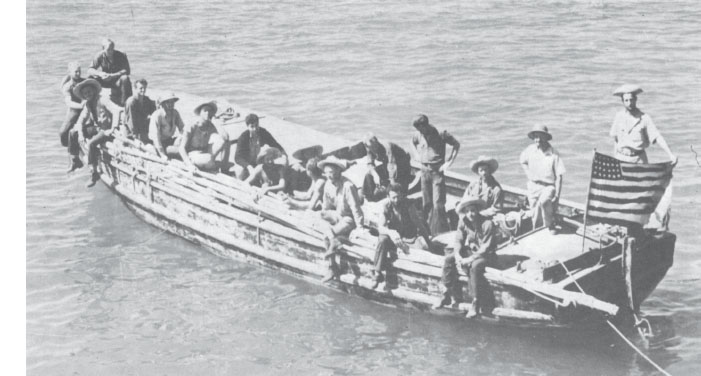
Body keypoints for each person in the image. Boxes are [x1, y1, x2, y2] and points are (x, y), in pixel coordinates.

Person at [434, 197, 497, 318]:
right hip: (473, 252)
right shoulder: (463, 221)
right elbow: (458, 240)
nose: (470, 214)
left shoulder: (487, 223)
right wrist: (457, 254)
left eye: (473, 210)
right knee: (448, 258)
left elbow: (485, 247)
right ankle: (445, 293)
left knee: (474, 267)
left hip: (487, 255)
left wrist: (469, 259)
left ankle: (475, 301)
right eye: (467, 211)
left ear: (477, 210)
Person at [371, 183, 433, 290]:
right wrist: (391, 233)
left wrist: (428, 240)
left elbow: (418, 223)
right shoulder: (386, 206)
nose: (396, 200)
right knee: (382, 239)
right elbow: (381, 227)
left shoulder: (408, 205)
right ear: (388, 197)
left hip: (409, 237)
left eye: (398, 196)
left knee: (424, 249)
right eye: (393, 197)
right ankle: (377, 273)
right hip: (394, 237)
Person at [410, 114, 460, 236]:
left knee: (438, 204)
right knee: (426, 203)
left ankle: (441, 232)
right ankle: (428, 231)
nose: (420, 132)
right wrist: (416, 154)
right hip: (424, 171)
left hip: (437, 171)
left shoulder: (441, 134)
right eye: (418, 130)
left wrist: (449, 162)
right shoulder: (418, 134)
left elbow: (456, 145)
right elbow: (411, 142)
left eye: (421, 129)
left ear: (426, 125)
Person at [317, 156, 364, 282]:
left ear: (339, 171)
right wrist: (325, 217)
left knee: (328, 235)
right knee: (322, 218)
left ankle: (332, 267)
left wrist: (360, 228)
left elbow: (356, 209)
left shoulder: (348, 186)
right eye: (327, 173)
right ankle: (335, 241)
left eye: (332, 172)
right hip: (336, 215)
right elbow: (326, 207)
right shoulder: (328, 184)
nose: (329, 176)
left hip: (348, 218)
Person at [610, 84, 677, 165]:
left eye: (631, 100)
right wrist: (614, 157)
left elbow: (657, 137)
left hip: (639, 160)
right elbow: (616, 139)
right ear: (622, 101)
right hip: (621, 158)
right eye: (626, 100)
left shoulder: (645, 118)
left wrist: (670, 154)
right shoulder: (619, 117)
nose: (629, 103)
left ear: (635, 99)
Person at [519, 125, 565, 234]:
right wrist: (528, 173)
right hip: (533, 186)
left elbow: (559, 176)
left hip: (548, 186)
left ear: (545, 137)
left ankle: (550, 224)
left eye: (540, 137)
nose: (537, 140)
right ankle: (538, 231)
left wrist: (557, 196)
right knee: (535, 213)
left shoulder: (554, 153)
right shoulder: (530, 150)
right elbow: (522, 161)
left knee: (544, 201)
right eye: (535, 137)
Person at [71, 79, 114, 187]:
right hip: (97, 128)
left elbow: (116, 111)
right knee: (73, 132)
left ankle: (94, 172)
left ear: (94, 91)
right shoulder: (88, 104)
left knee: (91, 143)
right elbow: (80, 121)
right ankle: (75, 159)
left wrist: (113, 128)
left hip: (106, 130)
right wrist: (80, 134)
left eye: (89, 92)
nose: (88, 95)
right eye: (85, 93)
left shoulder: (102, 100)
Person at [360, 133, 413, 202]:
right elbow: (370, 164)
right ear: (366, 146)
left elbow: (392, 166)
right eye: (372, 147)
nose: (374, 148)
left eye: (376, 145)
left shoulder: (388, 147)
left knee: (399, 190)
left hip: (402, 165)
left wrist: (392, 185)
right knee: (369, 174)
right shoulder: (369, 148)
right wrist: (376, 175)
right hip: (387, 164)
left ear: (377, 142)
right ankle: (365, 195)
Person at [233, 113, 287, 180]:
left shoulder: (262, 132)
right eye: (252, 127)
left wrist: (284, 154)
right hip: (246, 163)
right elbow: (237, 158)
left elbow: (274, 144)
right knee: (240, 172)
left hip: (256, 161)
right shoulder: (243, 137)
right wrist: (248, 166)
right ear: (247, 127)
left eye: (256, 125)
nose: (255, 129)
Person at [179, 101, 227, 171]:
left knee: (224, 142)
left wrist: (215, 122)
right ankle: (210, 164)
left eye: (210, 111)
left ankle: (222, 168)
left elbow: (226, 137)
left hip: (204, 151)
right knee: (208, 160)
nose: (207, 113)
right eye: (205, 110)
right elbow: (181, 148)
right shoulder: (192, 126)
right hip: (192, 153)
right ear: (200, 112)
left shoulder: (210, 125)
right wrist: (189, 164)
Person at [87, 38, 132, 106]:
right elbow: (90, 70)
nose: (111, 52)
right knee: (90, 78)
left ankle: (125, 104)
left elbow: (127, 71)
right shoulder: (99, 55)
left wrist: (112, 75)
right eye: (108, 50)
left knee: (125, 78)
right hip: (105, 80)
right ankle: (92, 102)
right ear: (103, 49)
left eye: (112, 49)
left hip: (117, 80)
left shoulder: (121, 55)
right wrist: (100, 74)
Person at [59, 61, 85, 173]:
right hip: (75, 108)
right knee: (63, 133)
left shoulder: (85, 82)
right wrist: (80, 105)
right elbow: (68, 102)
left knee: (74, 131)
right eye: (76, 72)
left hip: (85, 108)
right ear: (70, 73)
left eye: (79, 71)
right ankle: (73, 153)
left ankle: (75, 159)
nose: (78, 73)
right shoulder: (68, 86)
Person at [147, 92, 185, 160]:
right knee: (179, 151)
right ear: (163, 103)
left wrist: (181, 137)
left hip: (169, 140)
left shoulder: (175, 113)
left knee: (185, 143)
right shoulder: (157, 115)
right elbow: (156, 137)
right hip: (160, 144)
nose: (171, 104)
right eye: (168, 102)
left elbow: (182, 128)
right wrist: (162, 154)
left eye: (172, 102)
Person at [123, 78, 156, 143]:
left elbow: (154, 112)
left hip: (142, 130)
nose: (143, 90)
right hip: (131, 133)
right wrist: (135, 137)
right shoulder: (131, 102)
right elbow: (131, 121)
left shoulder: (146, 100)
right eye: (141, 88)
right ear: (135, 89)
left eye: (144, 88)